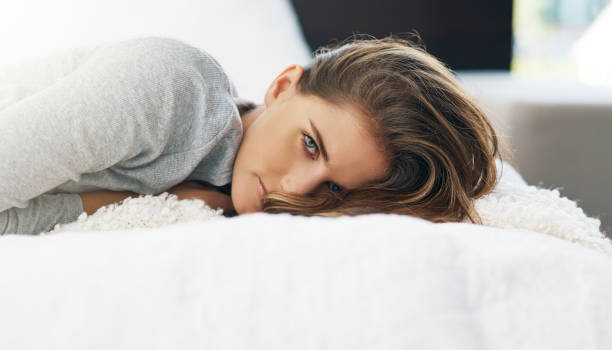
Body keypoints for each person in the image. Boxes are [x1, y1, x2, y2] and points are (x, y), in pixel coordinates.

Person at [0, 34, 505, 235]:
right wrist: (104, 203)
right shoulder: (166, 89)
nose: (296, 190)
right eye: (310, 143)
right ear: (283, 86)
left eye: (334, 190)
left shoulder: (224, 197)